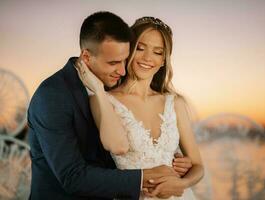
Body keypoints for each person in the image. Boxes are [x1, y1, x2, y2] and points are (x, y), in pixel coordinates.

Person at [27, 12, 192, 200]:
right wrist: (144, 177)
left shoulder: (111, 83)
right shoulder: (53, 95)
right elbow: (73, 177)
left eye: (124, 60)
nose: (122, 70)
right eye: (114, 62)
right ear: (87, 57)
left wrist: (176, 159)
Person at [77, 16, 204, 199]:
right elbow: (115, 145)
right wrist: (97, 88)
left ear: (163, 61)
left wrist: (181, 183)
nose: (147, 58)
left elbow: (198, 167)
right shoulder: (103, 101)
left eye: (158, 52)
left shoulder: (175, 103)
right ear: (128, 50)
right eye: (141, 48)